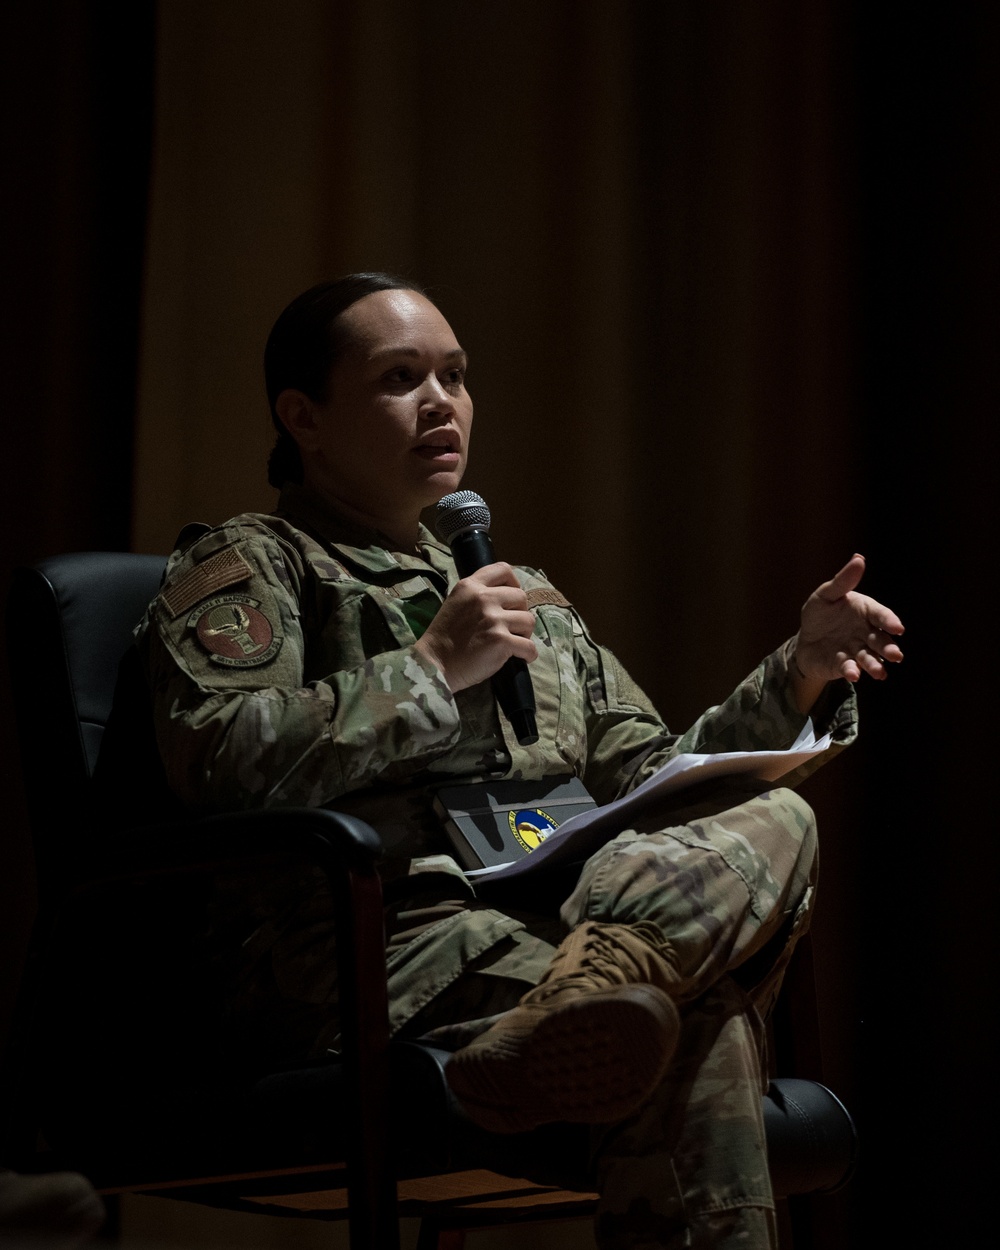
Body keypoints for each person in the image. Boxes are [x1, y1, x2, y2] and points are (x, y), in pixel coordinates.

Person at [135, 273, 904, 1249]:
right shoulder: (251, 565)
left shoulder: (519, 592)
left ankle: (591, 988)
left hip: (545, 926)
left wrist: (794, 671)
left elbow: (652, 779)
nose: (440, 402)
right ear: (305, 416)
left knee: (779, 818)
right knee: (691, 1026)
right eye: (399, 377)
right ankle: (599, 991)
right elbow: (217, 757)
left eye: (454, 376)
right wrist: (426, 672)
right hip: (363, 951)